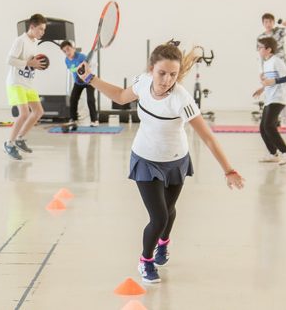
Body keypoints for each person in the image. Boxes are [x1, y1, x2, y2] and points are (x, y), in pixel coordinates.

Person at [78, 41, 245, 284]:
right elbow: (121, 97)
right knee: (159, 217)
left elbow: (207, 137)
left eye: (173, 75)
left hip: (175, 161)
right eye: (162, 73)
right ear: (151, 69)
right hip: (145, 158)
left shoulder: (181, 99)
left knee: (169, 211)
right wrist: (91, 78)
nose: (167, 79)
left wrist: (229, 170)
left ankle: (163, 244)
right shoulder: (143, 82)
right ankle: (145, 261)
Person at [4, 14, 48, 160]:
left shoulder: (34, 42)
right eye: (40, 29)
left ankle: (20, 138)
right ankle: (9, 144)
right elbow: (10, 60)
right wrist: (29, 63)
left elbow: (30, 62)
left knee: (38, 112)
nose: (42, 32)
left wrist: (36, 65)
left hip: (28, 83)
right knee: (23, 114)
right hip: (16, 83)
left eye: (44, 30)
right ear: (32, 27)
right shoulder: (20, 41)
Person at [252, 37, 286, 165]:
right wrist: (262, 89)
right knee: (263, 127)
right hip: (269, 98)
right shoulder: (266, 63)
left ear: (268, 49)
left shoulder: (277, 61)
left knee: (269, 126)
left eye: (261, 47)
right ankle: (273, 154)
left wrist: (273, 81)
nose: (259, 49)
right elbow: (270, 80)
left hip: (278, 98)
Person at [59, 40, 98, 126]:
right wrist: (78, 73)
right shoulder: (67, 60)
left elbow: (90, 68)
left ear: (73, 48)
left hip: (89, 81)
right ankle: (73, 119)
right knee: (73, 99)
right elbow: (72, 69)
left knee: (90, 100)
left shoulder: (82, 57)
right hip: (78, 82)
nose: (67, 52)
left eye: (68, 49)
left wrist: (85, 75)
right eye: (64, 51)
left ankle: (94, 120)